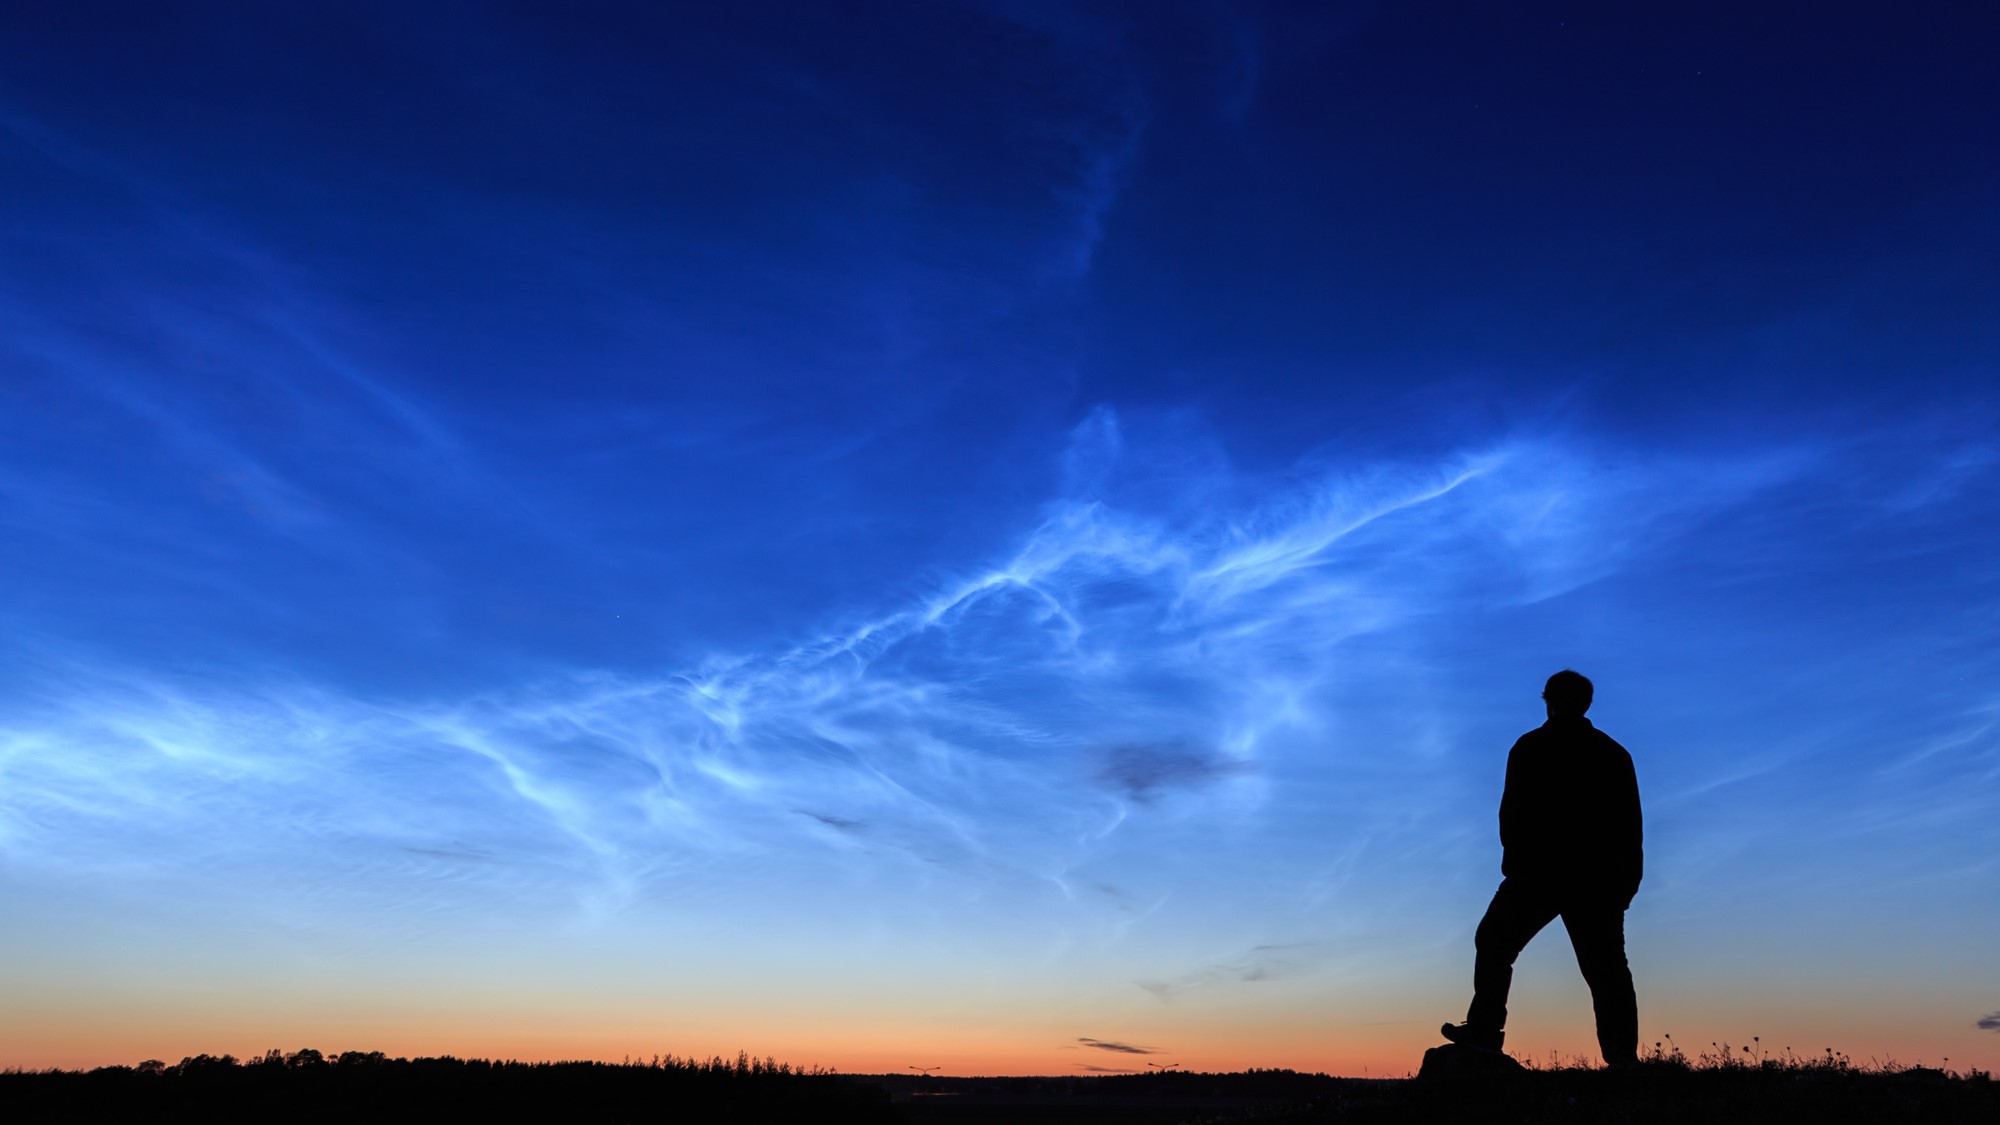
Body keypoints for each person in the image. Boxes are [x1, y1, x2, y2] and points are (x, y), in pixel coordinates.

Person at [1441, 669, 1642, 1066]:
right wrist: (1626, 883)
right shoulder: (1611, 753)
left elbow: (1511, 816)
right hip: (1590, 880)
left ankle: (1483, 1032)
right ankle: (1622, 1060)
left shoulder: (1532, 747)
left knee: (1498, 944)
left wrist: (1516, 865)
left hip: (1543, 876)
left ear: (1548, 699)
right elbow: (1629, 827)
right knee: (1607, 972)